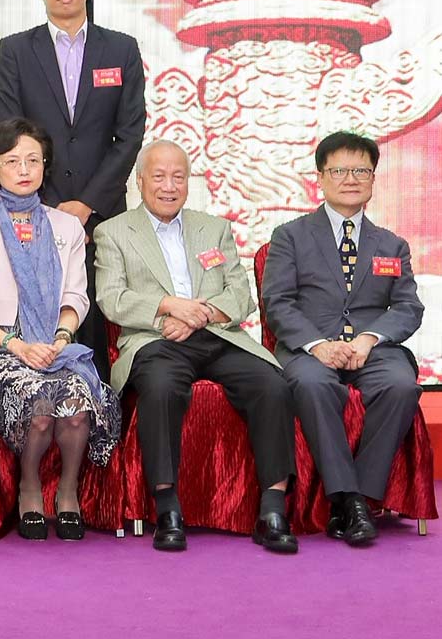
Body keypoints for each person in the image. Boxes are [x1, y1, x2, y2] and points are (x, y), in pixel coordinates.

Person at [96, 141, 295, 553]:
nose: (169, 186)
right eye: (159, 177)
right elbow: (112, 298)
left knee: (272, 385)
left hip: (218, 334)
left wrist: (198, 315)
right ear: (140, 181)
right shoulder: (113, 231)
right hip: (156, 338)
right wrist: (170, 307)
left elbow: (239, 294)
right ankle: (167, 507)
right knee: (161, 388)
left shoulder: (213, 227)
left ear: (189, 182)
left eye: (178, 177)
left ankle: (273, 508)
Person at [0, 119, 119, 542]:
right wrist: (17, 345)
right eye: (12, 161)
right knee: (42, 407)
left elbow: (76, 296)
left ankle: (67, 491)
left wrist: (61, 339)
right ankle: (29, 484)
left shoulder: (67, 226)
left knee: (77, 401)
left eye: (33, 160)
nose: (24, 169)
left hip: (55, 344)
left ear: (46, 165)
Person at [262, 130, 425, 547]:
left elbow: (408, 307)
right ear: (320, 177)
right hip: (310, 349)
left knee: (401, 385)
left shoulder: (392, 244)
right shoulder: (290, 236)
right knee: (312, 384)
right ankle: (349, 500)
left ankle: (356, 500)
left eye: (361, 171)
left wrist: (369, 339)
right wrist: (319, 345)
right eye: (339, 171)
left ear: (373, 179)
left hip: (373, 350)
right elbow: (277, 303)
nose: (351, 179)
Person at [0, 0, 147, 367]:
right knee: (40, 313)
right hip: (38, 207)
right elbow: (13, 133)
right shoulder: (16, 51)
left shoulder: (121, 49)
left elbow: (130, 133)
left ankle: (100, 403)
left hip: (102, 212)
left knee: (100, 317)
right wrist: (53, 204)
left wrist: (87, 203)